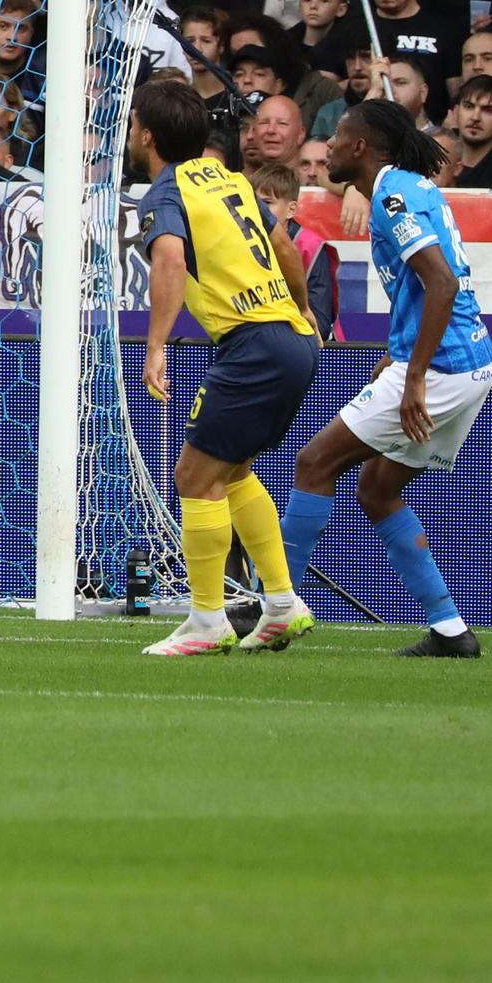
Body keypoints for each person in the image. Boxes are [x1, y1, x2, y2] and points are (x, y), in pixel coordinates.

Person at [284, 98, 492, 658]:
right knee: (377, 491)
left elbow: (441, 284)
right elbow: (425, 288)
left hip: (444, 367)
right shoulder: (402, 186)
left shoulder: (395, 196)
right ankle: (451, 631)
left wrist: (415, 376)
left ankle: (275, 608)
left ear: (360, 147)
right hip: (472, 362)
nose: (326, 146)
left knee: (314, 463)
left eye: (335, 137)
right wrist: (398, 354)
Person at [130, 76, 322, 657]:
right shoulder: (232, 180)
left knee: (193, 477)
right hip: (291, 338)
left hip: (253, 345)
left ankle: (207, 621)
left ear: (144, 135)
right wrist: (305, 310)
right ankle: (283, 605)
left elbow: (168, 257)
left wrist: (157, 344)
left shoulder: (166, 195)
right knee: (230, 473)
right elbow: (285, 245)